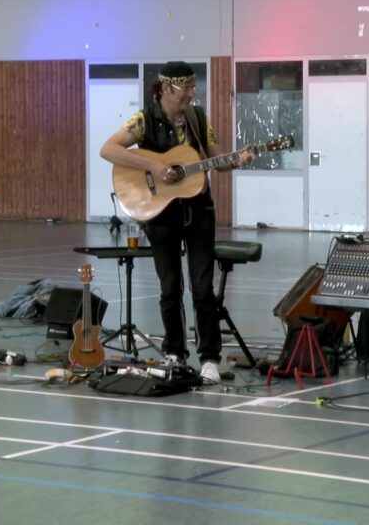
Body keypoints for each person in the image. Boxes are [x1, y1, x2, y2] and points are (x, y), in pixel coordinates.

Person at [99, 61, 254, 384]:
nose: (191, 94)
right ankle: (174, 352)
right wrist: (154, 168)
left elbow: (217, 159)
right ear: (166, 88)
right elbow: (108, 149)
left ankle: (210, 358)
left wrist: (237, 160)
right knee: (169, 287)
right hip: (161, 213)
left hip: (199, 210)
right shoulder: (144, 119)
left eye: (192, 87)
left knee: (202, 288)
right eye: (185, 88)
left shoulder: (198, 119)